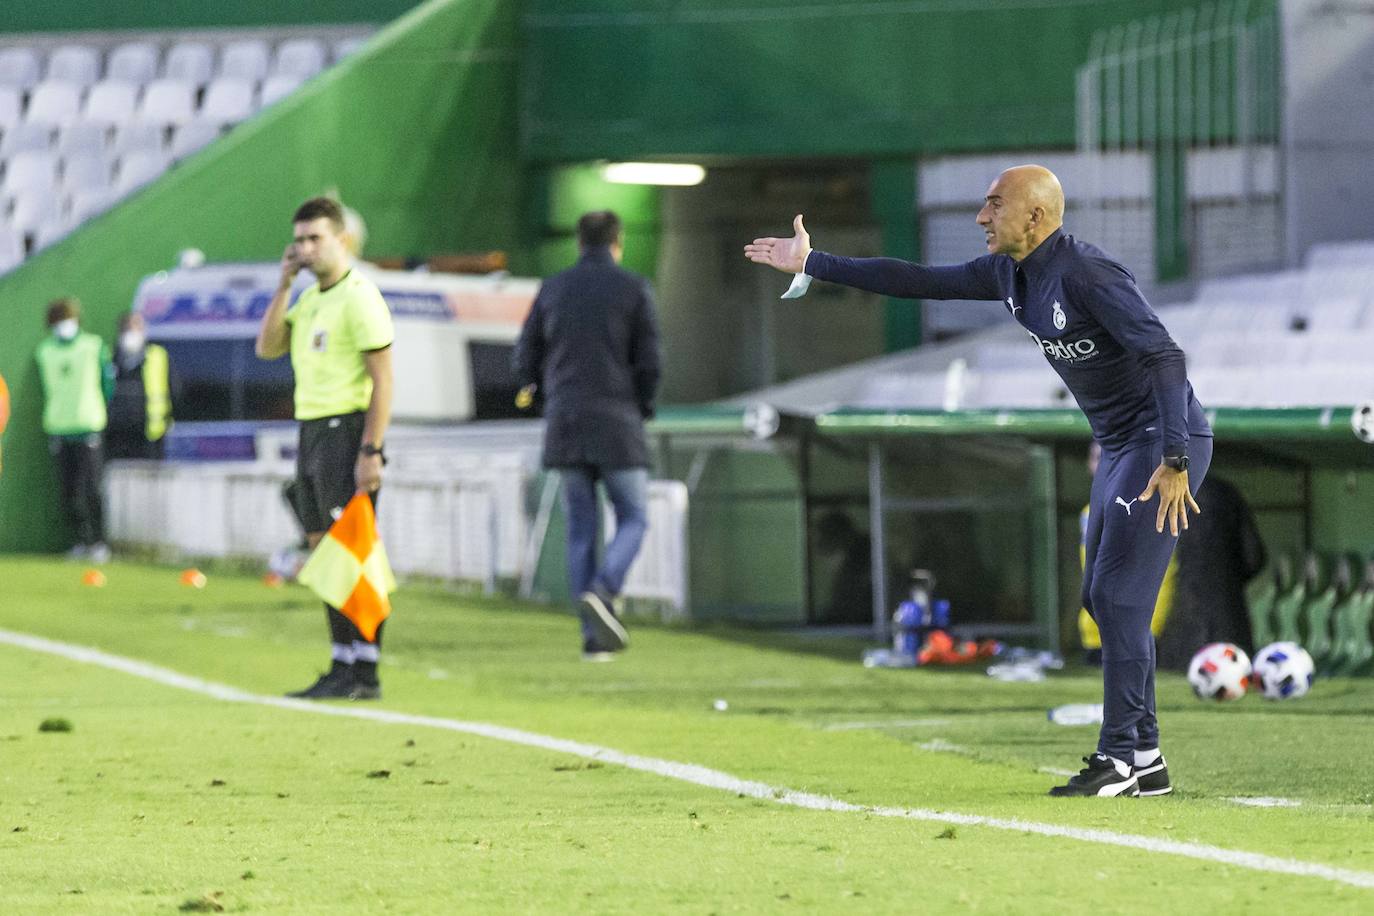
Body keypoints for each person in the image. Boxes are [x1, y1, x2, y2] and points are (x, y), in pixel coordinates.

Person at [746, 165, 1213, 798]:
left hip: (1161, 444)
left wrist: (1176, 459)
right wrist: (816, 263)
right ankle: (1147, 760)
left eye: (994, 205)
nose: (980, 218)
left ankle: (1122, 757)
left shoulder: (1086, 273)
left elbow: (1166, 355)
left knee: (1122, 599)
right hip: (1121, 446)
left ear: (1036, 217)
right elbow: (917, 280)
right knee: (1101, 599)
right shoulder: (1009, 273)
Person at [255, 197, 394, 700]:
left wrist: (371, 450)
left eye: (316, 238)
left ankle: (367, 670)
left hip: (347, 431)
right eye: (300, 239)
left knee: (354, 553)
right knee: (324, 555)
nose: (306, 248)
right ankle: (341, 662)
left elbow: (383, 380)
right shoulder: (311, 299)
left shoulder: (359, 297)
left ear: (342, 240)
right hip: (311, 430)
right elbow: (267, 347)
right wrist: (284, 284)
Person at [513, 210, 662, 661]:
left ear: (580, 243)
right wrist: (642, 406)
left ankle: (593, 639)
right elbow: (651, 361)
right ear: (617, 243)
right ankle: (605, 588)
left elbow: (524, 356)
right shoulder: (634, 288)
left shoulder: (552, 288)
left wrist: (545, 399)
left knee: (581, 530)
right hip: (618, 420)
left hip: (566, 422)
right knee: (634, 516)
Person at [1078, 441, 1176, 666]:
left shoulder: (1145, 508)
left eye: (1109, 456)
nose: (1103, 464)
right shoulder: (1088, 512)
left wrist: (1151, 624)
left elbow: (1158, 573)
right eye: (1097, 458)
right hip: (1094, 632)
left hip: (1139, 630)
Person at [34, 298, 115, 563]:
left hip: (88, 427)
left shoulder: (93, 346)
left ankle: (99, 543)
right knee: (69, 493)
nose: (63, 325)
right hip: (59, 428)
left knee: (92, 489)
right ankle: (79, 542)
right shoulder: (44, 351)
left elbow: (107, 385)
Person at [1156, 475, 1266, 668]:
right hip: (1230, 625)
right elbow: (1254, 558)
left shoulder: (1156, 493)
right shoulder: (1226, 493)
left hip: (1175, 629)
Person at [106, 312, 176, 460]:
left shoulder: (158, 356)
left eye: (136, 327)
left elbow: (174, 389)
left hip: (151, 433)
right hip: (117, 435)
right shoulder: (109, 358)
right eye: (127, 328)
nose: (131, 333)